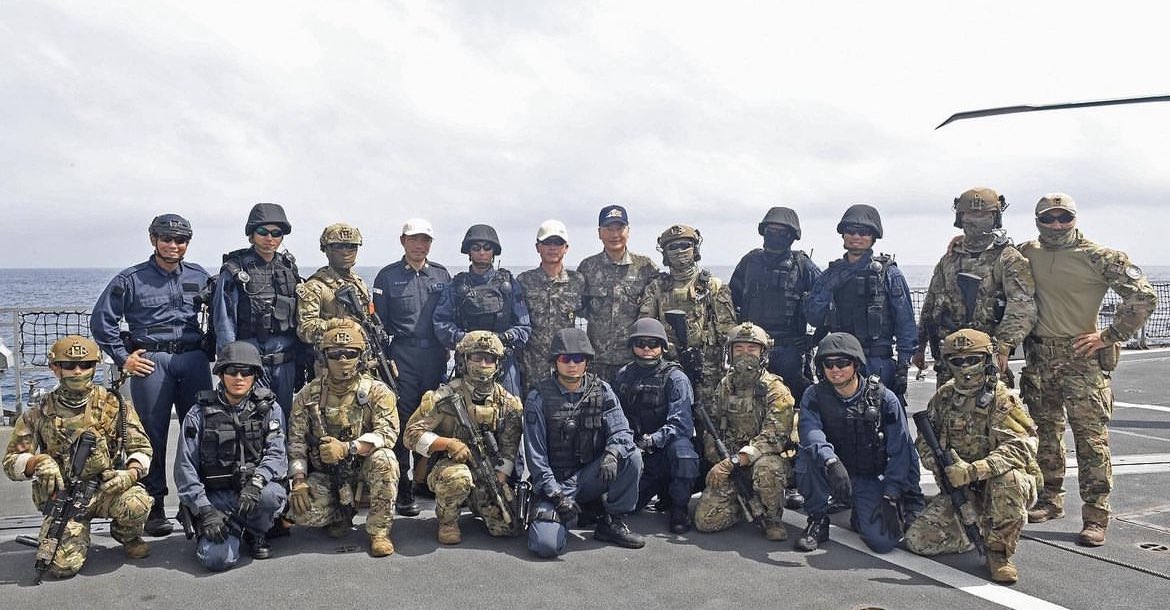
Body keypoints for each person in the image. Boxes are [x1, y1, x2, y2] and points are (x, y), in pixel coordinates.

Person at [1017, 193, 1156, 546]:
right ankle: (1050, 499)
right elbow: (992, 262)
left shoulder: (1100, 257)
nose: (1057, 225)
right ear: (1038, 221)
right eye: (1049, 218)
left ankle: (1095, 516)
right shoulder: (1025, 252)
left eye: (1064, 217)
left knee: (1091, 442)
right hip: (1040, 360)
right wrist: (958, 244)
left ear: (1075, 218)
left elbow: (1143, 296)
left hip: (1082, 360)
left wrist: (1109, 336)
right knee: (1045, 435)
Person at [91, 213, 212, 536]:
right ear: (153, 239)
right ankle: (154, 504)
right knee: (151, 435)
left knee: (201, 432)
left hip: (193, 359)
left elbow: (221, 313)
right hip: (151, 362)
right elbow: (102, 321)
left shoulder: (201, 276)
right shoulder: (130, 280)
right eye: (166, 239)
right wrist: (123, 358)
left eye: (180, 240)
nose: (173, 245)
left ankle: (195, 503)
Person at [3, 336, 153, 578]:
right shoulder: (38, 413)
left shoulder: (115, 405)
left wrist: (130, 473)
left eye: (85, 365)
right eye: (69, 365)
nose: (77, 371)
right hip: (65, 497)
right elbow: (11, 462)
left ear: (94, 366)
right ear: (55, 368)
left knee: (137, 502)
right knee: (62, 567)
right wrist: (36, 462)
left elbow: (141, 448)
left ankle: (127, 535)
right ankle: (74, 535)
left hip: (106, 489)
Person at [904, 329, 1041, 583]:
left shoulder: (1002, 398)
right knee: (918, 541)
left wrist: (973, 470)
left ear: (986, 360)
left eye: (972, 359)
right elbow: (924, 438)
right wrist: (934, 461)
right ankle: (976, 525)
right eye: (957, 361)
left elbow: (1021, 447)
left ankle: (999, 553)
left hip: (999, 485)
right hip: (963, 489)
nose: (965, 367)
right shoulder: (945, 397)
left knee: (1008, 480)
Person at [794, 332, 922, 554]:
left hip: (868, 476)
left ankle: (862, 512)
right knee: (808, 455)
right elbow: (810, 431)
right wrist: (831, 461)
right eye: (828, 364)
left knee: (883, 543)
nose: (835, 369)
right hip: (833, 472)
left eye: (842, 363)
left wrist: (891, 494)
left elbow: (901, 451)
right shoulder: (814, 395)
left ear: (855, 364)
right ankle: (817, 519)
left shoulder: (884, 398)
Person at [525, 328, 645, 558]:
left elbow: (622, 431)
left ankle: (613, 522)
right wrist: (558, 497)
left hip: (590, 476)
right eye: (565, 358)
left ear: (587, 362)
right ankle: (569, 513)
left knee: (631, 455)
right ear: (555, 362)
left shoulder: (602, 390)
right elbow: (536, 459)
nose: (572, 364)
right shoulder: (538, 397)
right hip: (557, 483)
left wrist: (612, 453)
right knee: (546, 546)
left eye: (578, 358)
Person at [287, 320, 400, 557]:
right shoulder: (308, 394)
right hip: (328, 474)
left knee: (386, 460)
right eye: (335, 354)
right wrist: (298, 480)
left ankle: (379, 531)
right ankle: (339, 513)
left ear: (361, 356)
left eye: (350, 354)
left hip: (365, 468)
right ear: (323, 357)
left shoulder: (377, 391)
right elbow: (296, 442)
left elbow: (388, 433)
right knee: (298, 511)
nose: (343, 360)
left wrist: (349, 448)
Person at [175, 341, 288, 570]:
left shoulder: (270, 409)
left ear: (255, 376)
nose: (239, 377)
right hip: (215, 497)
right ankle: (230, 528)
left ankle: (256, 531)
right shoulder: (198, 413)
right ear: (220, 374)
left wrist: (257, 482)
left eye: (246, 372)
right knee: (217, 559)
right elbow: (185, 468)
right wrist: (204, 510)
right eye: (232, 371)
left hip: (253, 492)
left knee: (271, 495)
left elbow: (277, 454)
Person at [403, 331, 524, 544]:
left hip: (486, 470)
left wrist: (498, 482)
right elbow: (411, 435)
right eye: (477, 357)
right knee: (458, 477)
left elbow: (509, 449)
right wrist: (447, 443)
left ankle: (475, 502)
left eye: (490, 359)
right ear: (464, 360)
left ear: (498, 363)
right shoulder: (444, 397)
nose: (483, 364)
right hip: (448, 467)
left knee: (507, 526)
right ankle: (448, 522)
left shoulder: (508, 403)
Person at [914, 188, 1036, 386]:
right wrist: (920, 346)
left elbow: (1022, 307)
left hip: (988, 357)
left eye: (983, 215)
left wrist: (1003, 347)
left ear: (995, 217)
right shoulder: (949, 259)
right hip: (951, 357)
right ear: (961, 217)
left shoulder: (1008, 258)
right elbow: (930, 304)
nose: (976, 220)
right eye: (970, 214)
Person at [372, 218, 451, 516]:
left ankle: (424, 478)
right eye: (414, 239)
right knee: (403, 418)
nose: (420, 245)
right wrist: (386, 360)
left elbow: (448, 316)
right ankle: (403, 486)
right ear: (403, 241)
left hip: (435, 355)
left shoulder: (442, 275)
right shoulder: (387, 276)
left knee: (431, 416)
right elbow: (378, 326)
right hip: (402, 356)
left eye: (425, 240)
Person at [804, 204, 917, 403]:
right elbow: (814, 317)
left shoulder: (889, 274)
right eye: (851, 231)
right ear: (843, 235)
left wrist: (903, 366)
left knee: (886, 415)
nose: (856, 236)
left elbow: (905, 323)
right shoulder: (831, 274)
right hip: (841, 363)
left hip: (877, 362)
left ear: (873, 236)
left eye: (864, 232)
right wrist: (828, 288)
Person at [693, 323, 795, 541]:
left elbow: (774, 437)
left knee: (767, 468)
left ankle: (772, 517)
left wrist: (734, 461)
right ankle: (742, 504)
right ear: (730, 352)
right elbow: (712, 425)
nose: (745, 354)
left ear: (763, 353)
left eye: (752, 349)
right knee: (706, 522)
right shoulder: (725, 385)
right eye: (739, 349)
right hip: (731, 462)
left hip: (764, 460)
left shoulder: (775, 389)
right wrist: (716, 457)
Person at [213, 202, 303, 417]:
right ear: (252, 235)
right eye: (263, 232)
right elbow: (224, 322)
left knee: (282, 420)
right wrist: (230, 367)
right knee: (250, 421)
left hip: (285, 363)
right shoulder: (235, 270)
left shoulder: (289, 268)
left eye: (276, 233)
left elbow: (299, 318)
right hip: (249, 366)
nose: (269, 238)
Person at [613, 318, 699, 534]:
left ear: (662, 347)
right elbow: (614, 416)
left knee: (684, 453)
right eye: (640, 343)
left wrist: (652, 440)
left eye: (653, 343)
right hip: (638, 452)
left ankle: (679, 508)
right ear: (632, 346)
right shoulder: (623, 375)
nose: (647, 349)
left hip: (665, 448)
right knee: (626, 506)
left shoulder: (676, 378)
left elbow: (682, 424)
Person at [730, 206, 822, 401]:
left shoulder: (802, 265)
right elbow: (730, 303)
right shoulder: (749, 262)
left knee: (793, 401)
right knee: (747, 400)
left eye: (782, 232)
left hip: (790, 351)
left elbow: (826, 303)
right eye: (771, 230)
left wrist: (814, 339)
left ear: (792, 236)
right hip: (753, 348)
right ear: (763, 231)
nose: (775, 236)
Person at [639, 224, 736, 403]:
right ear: (665, 253)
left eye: (685, 245)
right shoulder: (656, 287)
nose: (680, 251)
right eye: (673, 247)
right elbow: (645, 328)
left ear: (695, 249)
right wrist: (666, 347)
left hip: (707, 370)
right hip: (667, 366)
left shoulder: (712, 285)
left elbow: (727, 333)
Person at [433, 223, 531, 398]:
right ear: (469, 252)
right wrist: (465, 339)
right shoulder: (456, 286)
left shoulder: (509, 283)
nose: (482, 252)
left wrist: (504, 337)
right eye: (476, 248)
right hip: (468, 364)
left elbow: (524, 327)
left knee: (511, 410)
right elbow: (441, 323)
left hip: (503, 363)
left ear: (494, 252)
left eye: (487, 247)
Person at [578, 205, 659, 384]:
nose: (614, 234)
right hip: (596, 362)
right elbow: (578, 309)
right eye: (609, 229)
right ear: (599, 233)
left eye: (619, 228)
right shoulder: (587, 267)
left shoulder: (645, 267)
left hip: (634, 361)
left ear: (628, 231)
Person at [516, 219, 584, 397]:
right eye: (547, 242)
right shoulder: (524, 281)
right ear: (537, 247)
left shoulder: (578, 281)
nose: (553, 247)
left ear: (566, 247)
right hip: (531, 368)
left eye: (558, 242)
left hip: (566, 366)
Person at [296, 223, 372, 346]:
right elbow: (305, 329)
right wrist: (341, 325)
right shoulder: (315, 286)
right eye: (338, 247)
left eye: (351, 246)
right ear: (326, 249)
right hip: (333, 353)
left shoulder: (358, 283)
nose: (345, 252)